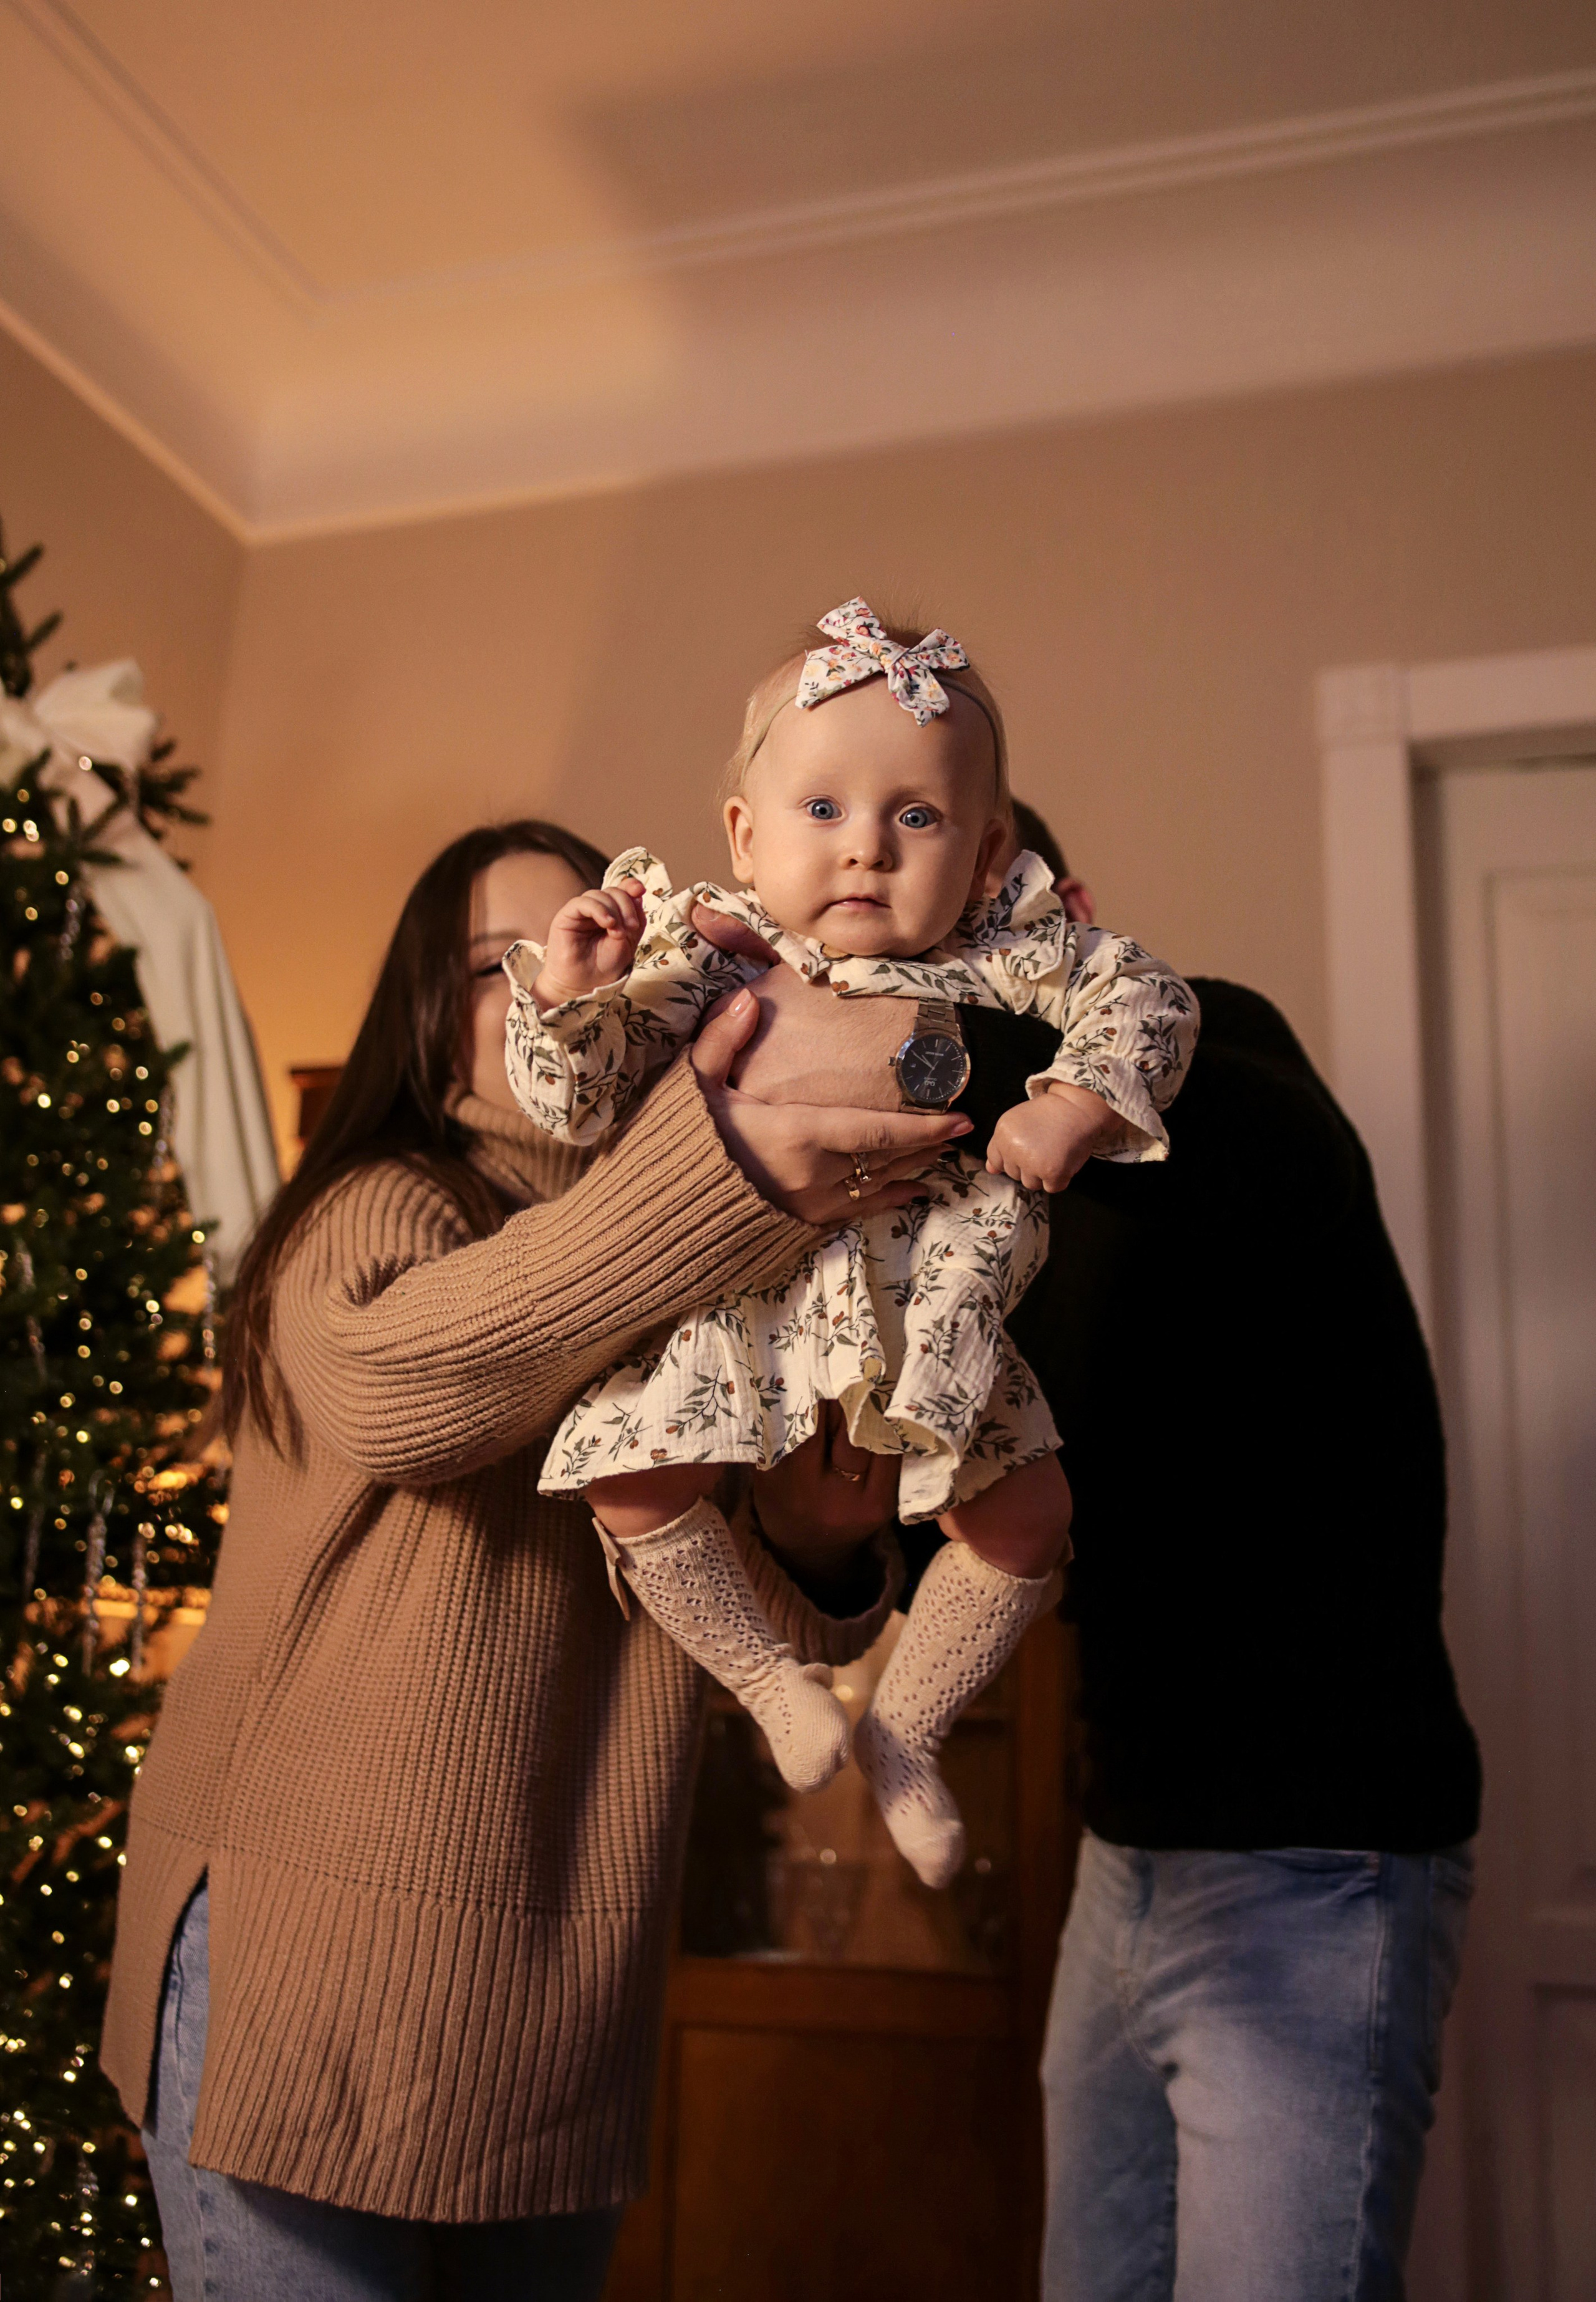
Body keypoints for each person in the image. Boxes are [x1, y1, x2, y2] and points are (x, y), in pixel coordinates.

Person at [100, 817, 968, 2302]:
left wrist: (824, 1553)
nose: (556, 975)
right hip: (305, 1993)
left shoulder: (694, 1263)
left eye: (591, 938)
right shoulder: (380, 1204)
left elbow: (733, 1617)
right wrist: (718, 1170)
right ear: (430, 1010)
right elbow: (393, 1397)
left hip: (562, 2015)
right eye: (497, 961)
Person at [498, 601, 1196, 1889]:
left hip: (924, 1309)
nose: (865, 847)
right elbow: (576, 1101)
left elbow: (1151, 997)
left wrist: (1073, 1100)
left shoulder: (1005, 959)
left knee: (1029, 1514)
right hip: (743, 1307)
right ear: (742, 834)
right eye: (820, 811)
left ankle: (910, 1733)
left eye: (916, 818)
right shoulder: (707, 957)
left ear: (987, 852)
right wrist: (566, 996)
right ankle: (768, 1687)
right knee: (630, 1480)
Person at [988, 801, 1483, 2301]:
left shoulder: (1210, 1056)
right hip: (1123, 1849)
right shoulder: (965, 1207)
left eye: (971, 908)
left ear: (1065, 908)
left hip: (1312, 1862)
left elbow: (1216, 1122)